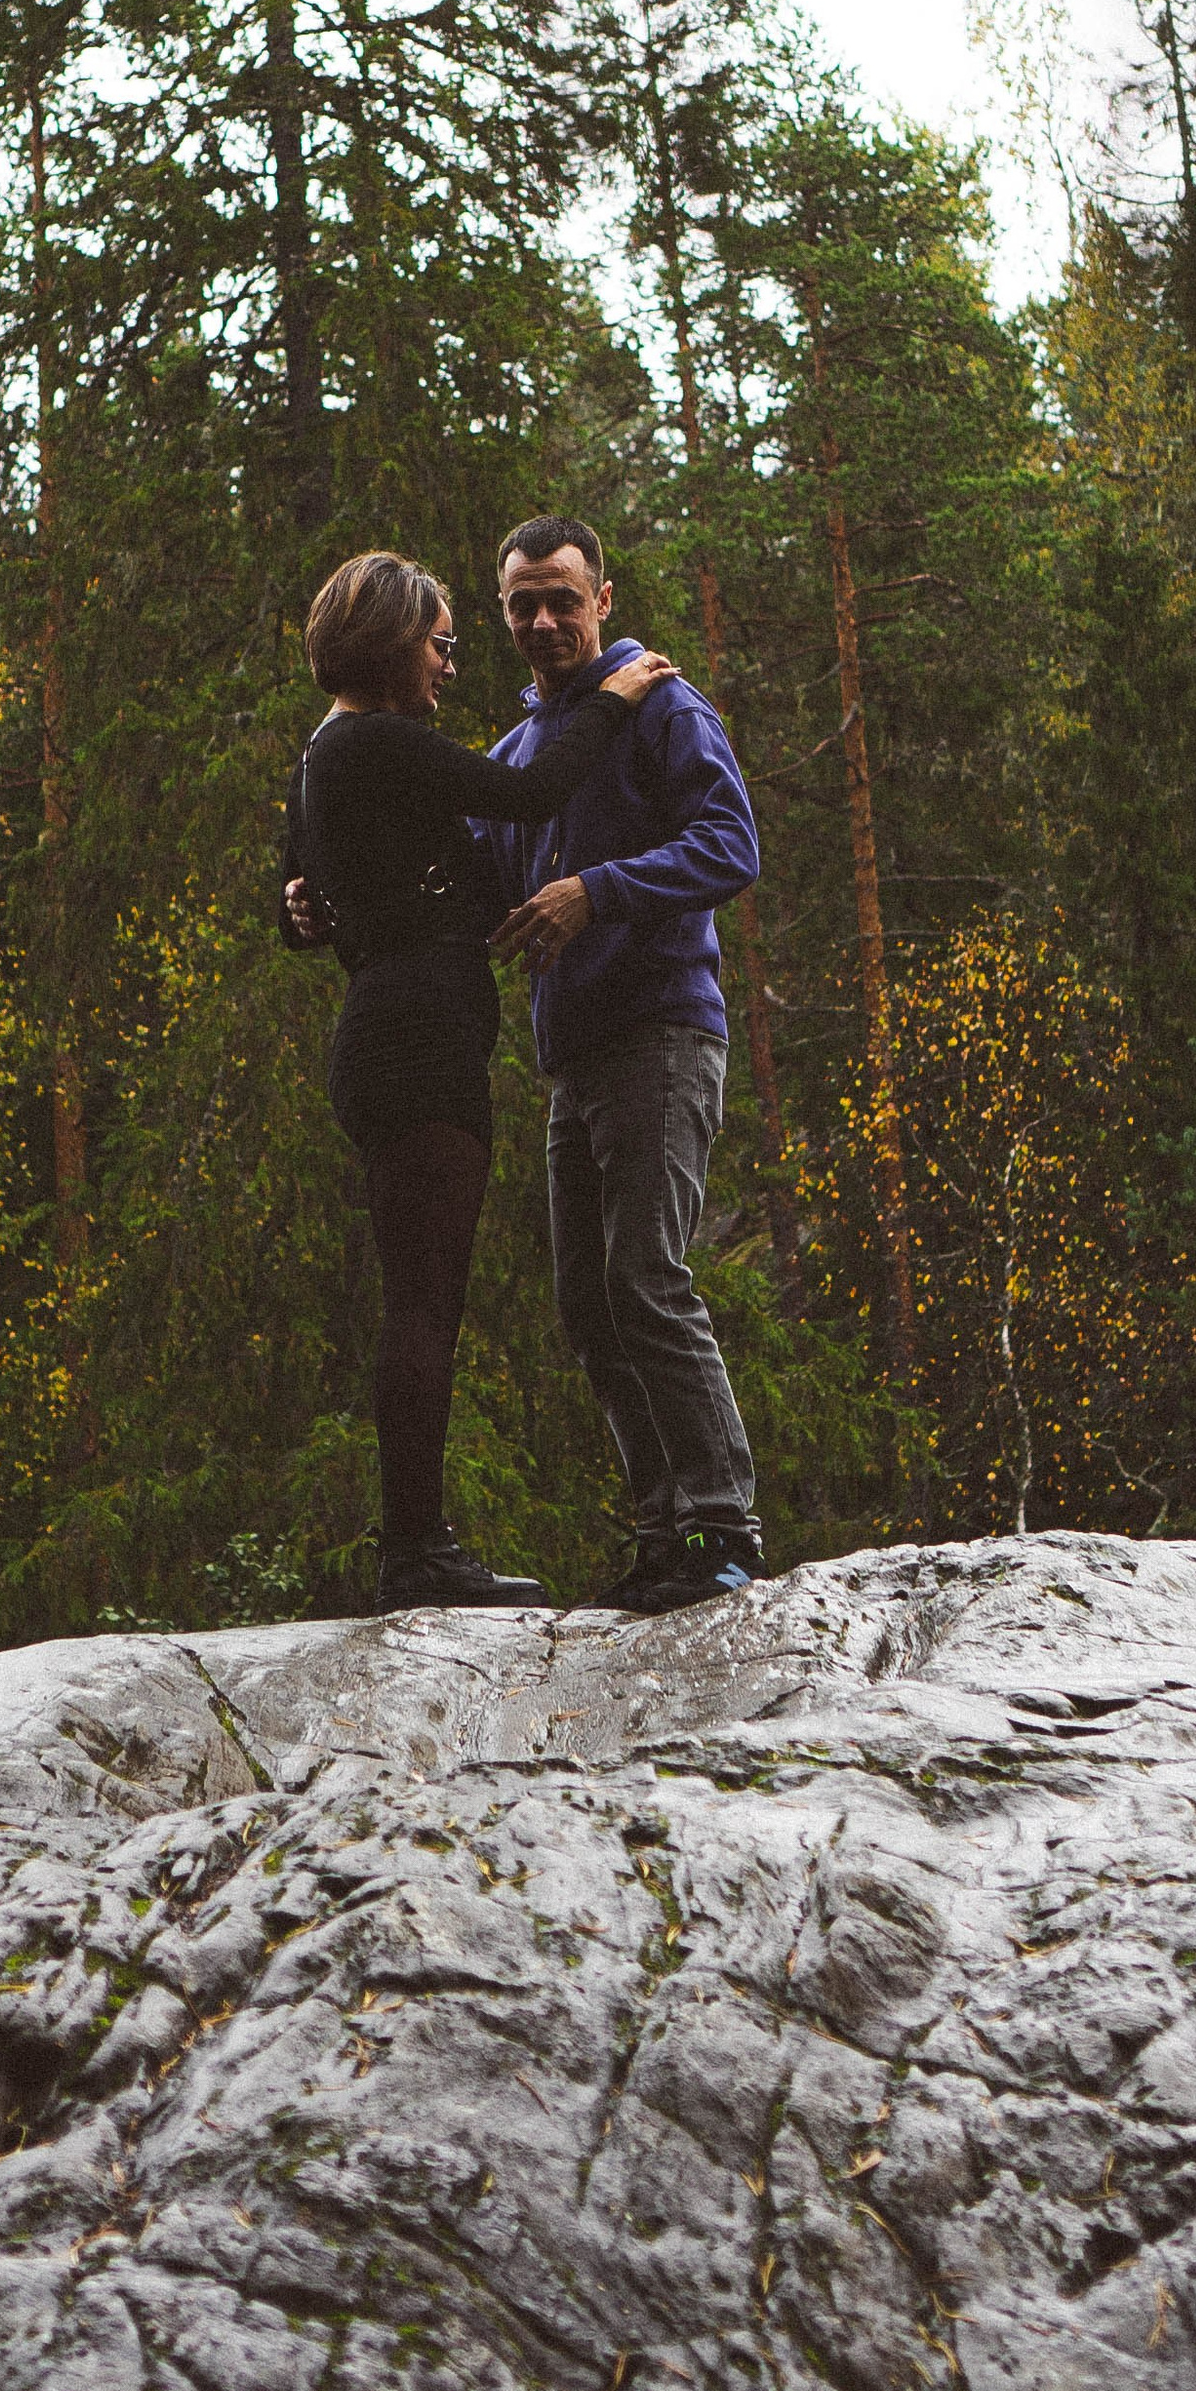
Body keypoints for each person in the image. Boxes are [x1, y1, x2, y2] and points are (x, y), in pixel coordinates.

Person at [280, 548, 675, 1614]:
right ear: (391, 642)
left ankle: (418, 1542)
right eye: (442, 643)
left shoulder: (322, 756)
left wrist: (301, 911)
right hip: (417, 1046)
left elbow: (299, 901)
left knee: (421, 1299)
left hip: (387, 1040)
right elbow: (533, 786)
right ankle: (416, 1550)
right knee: (424, 1306)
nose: (451, 665)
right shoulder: (380, 741)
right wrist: (615, 694)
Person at [482, 515, 766, 1613]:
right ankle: (663, 1529)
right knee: (589, 1306)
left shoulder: (664, 706)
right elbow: (468, 871)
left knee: (646, 1276)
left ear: (602, 596)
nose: (544, 620)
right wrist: (318, 892)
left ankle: (722, 1527)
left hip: (661, 1030)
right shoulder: (525, 754)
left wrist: (596, 889)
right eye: (521, 604)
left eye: (561, 597)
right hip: (576, 1056)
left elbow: (731, 843)